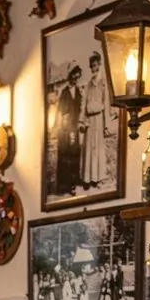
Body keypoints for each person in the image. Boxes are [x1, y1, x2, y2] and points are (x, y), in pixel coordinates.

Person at [80, 51, 109, 189]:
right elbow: (84, 103)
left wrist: (106, 123)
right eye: (92, 66)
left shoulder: (103, 84)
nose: (94, 69)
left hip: (98, 120)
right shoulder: (88, 85)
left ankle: (98, 178)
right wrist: (82, 120)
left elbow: (106, 103)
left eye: (96, 65)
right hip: (90, 122)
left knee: (97, 148)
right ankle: (87, 178)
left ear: (100, 65)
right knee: (88, 149)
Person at [55, 65, 83, 197]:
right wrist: (63, 127)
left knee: (74, 154)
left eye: (78, 76)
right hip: (66, 129)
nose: (76, 78)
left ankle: (73, 182)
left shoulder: (78, 92)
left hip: (74, 127)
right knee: (65, 154)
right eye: (74, 75)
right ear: (70, 76)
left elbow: (79, 109)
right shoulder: (65, 92)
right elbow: (61, 111)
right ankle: (63, 184)